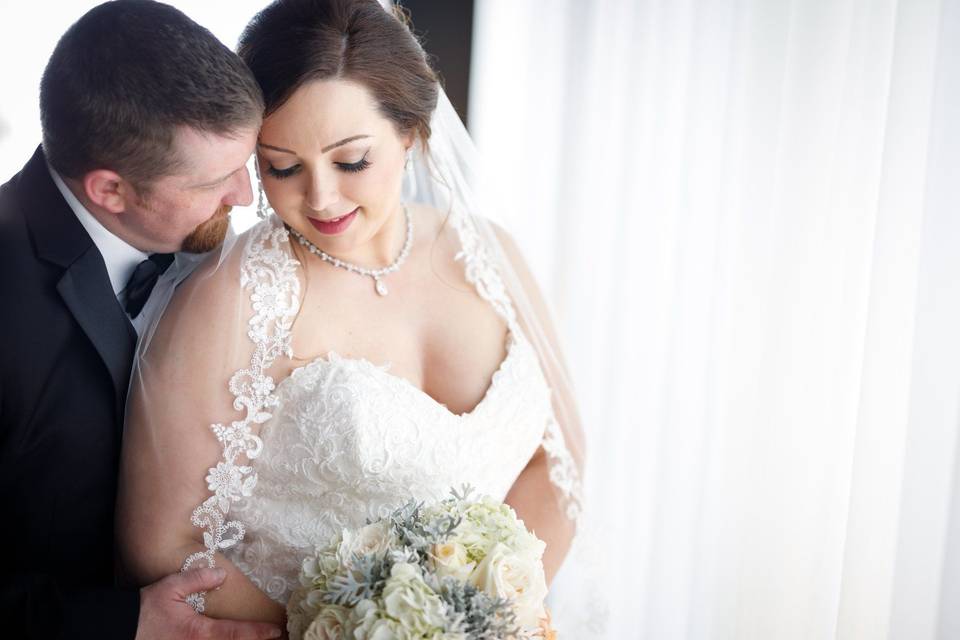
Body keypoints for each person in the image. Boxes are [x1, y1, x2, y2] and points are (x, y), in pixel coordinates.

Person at [116, 0, 586, 632]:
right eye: (282, 167)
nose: (321, 197)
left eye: (351, 161)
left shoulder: (490, 253)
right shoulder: (232, 297)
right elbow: (158, 543)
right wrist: (355, 624)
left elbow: (555, 462)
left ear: (412, 133)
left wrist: (485, 619)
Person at [0, 1, 283, 638]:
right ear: (110, 191)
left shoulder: (237, 261)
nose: (245, 195)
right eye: (218, 179)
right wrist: (121, 622)